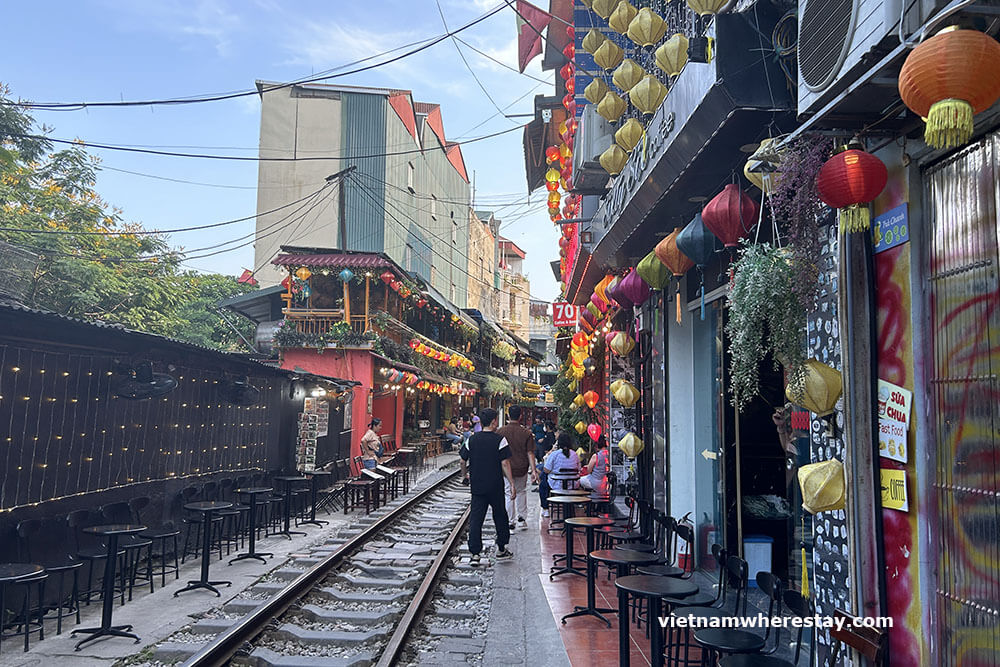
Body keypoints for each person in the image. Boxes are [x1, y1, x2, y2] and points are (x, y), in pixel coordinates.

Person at [459, 408, 516, 566]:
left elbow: (463, 461)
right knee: (500, 516)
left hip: (477, 486)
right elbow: (505, 463)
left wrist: (464, 476)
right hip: (495, 485)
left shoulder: (471, 439)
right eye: (496, 420)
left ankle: (475, 554)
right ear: (493, 422)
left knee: (476, 519)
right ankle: (502, 548)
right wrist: (511, 483)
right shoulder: (500, 440)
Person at [496, 405, 537, 531]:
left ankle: (510, 522)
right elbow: (530, 453)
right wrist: (534, 470)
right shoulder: (526, 433)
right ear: (520, 416)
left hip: (505, 469)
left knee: (508, 493)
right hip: (521, 468)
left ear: (508, 415)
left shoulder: (500, 431)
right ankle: (522, 519)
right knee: (521, 491)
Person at [537, 423, 557, 517]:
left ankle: (545, 508)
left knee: (543, 482)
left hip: (556, 483)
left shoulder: (554, 454)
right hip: (571, 484)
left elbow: (547, 469)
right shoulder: (574, 455)